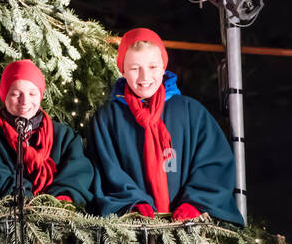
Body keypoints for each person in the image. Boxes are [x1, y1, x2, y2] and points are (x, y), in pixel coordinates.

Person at [86, 28, 243, 224]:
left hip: (188, 226)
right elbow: (105, 167)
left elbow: (214, 162)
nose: (144, 78)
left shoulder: (190, 112)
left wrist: (195, 204)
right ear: (122, 69)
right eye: (135, 68)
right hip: (132, 226)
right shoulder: (108, 117)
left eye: (152, 67)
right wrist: (132, 203)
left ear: (164, 66)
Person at [0, 59, 94, 206]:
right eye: (16, 94)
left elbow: (76, 173)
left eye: (32, 94)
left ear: (40, 96)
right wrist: (24, 199)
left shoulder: (64, 136)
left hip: (58, 219)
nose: (24, 101)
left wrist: (56, 203)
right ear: (4, 96)